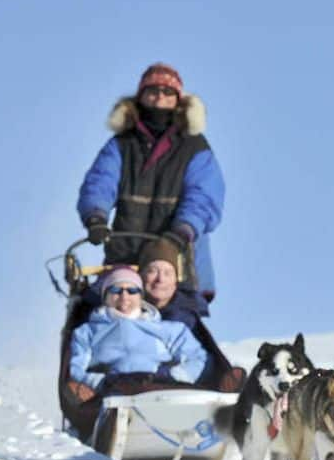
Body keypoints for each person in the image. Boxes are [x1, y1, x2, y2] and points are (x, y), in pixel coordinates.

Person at [77, 63, 225, 301]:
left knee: (182, 326)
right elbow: (100, 181)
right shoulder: (122, 144)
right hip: (126, 257)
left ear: (178, 100)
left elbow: (204, 196)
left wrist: (183, 230)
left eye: (167, 92)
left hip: (178, 262)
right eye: (153, 91)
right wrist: (96, 216)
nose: (159, 98)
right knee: (92, 317)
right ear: (141, 96)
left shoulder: (195, 147)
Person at [66, 267, 208, 402]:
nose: (124, 296)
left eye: (132, 290)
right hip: (111, 393)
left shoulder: (169, 329)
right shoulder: (87, 332)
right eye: (116, 290)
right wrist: (98, 382)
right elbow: (75, 369)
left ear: (141, 297)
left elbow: (197, 358)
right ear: (105, 297)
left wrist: (174, 376)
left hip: (160, 389)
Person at [137, 237, 210, 330]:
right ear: (140, 275)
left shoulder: (187, 325)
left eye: (167, 273)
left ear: (176, 280)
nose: (160, 279)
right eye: (153, 271)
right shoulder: (124, 312)